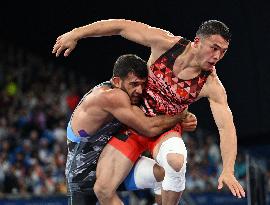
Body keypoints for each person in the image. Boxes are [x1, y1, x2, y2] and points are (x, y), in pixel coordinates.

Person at [52, 19, 246, 205]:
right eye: (214, 48)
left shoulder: (211, 84)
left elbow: (226, 128)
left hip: (165, 129)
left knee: (176, 161)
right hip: (135, 126)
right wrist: (76, 33)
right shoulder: (165, 44)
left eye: (223, 52)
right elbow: (121, 27)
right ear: (197, 42)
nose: (217, 57)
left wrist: (228, 169)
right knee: (102, 189)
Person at [64, 53, 193, 205]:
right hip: (83, 178)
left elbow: (150, 117)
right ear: (117, 81)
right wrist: (180, 116)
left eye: (142, 84)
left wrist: (186, 119)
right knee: (103, 190)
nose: (139, 90)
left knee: (165, 173)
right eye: (134, 84)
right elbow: (149, 127)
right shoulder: (111, 96)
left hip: (108, 167)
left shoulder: (129, 98)